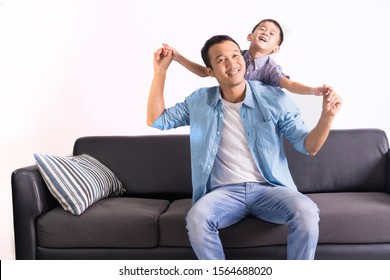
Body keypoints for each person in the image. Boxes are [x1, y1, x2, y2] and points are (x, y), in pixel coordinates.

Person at [147, 35, 342, 260]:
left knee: (306, 211)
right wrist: (160, 71)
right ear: (210, 71)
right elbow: (157, 119)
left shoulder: (273, 97)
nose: (232, 64)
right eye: (221, 60)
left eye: (235, 55)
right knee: (197, 219)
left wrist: (327, 117)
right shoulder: (199, 101)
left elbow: (309, 147)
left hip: (270, 189)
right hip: (222, 193)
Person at [164, 19, 327, 96]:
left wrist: (312, 90)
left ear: (276, 48)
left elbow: (290, 85)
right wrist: (178, 58)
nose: (265, 33)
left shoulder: (271, 68)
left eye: (272, 34)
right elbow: (206, 71)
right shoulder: (236, 56)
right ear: (250, 36)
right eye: (262, 29)